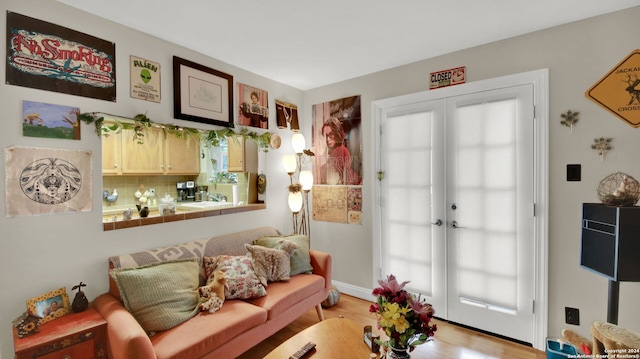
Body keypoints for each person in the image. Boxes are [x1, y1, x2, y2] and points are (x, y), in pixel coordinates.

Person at [321, 117, 361, 185]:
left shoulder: (339, 151)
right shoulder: (332, 151)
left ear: (337, 133)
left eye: (331, 134)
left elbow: (344, 178)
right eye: (326, 135)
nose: (328, 139)